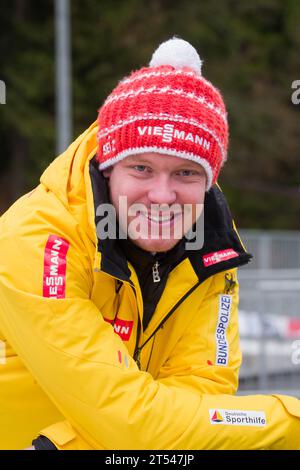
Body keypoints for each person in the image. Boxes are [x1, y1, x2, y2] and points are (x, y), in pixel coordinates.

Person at [0, 38, 299, 451]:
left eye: (186, 173)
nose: (162, 196)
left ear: (209, 180)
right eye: (141, 168)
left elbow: (203, 398)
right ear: (109, 170)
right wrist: (289, 422)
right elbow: (131, 423)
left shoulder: (213, 243)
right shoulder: (35, 242)